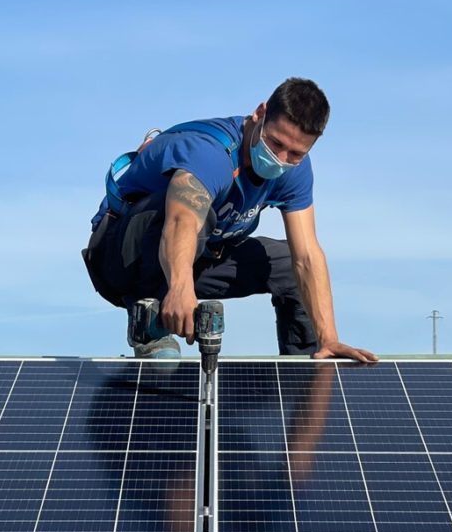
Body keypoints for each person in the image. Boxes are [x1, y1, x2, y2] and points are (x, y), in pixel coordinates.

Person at [82, 77, 375, 363]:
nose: (282, 158)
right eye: (275, 143)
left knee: (286, 263)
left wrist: (329, 338)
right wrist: (180, 288)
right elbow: (181, 221)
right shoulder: (210, 153)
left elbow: (307, 256)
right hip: (121, 257)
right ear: (260, 114)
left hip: (194, 256)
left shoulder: (293, 171)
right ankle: (151, 320)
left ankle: (305, 370)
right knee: (195, 209)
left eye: (296, 154)